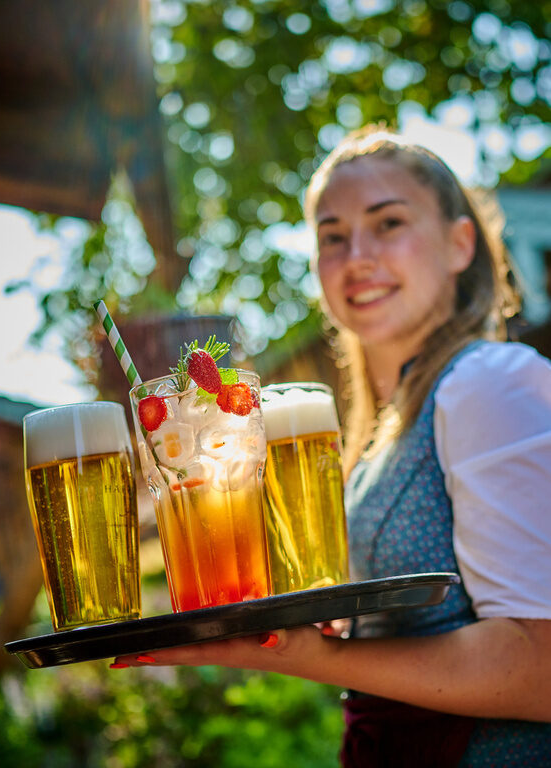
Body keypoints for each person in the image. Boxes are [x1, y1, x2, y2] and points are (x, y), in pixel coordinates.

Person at [111, 127, 551, 767]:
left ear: (461, 244)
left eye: (389, 223)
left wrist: (319, 657)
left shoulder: (486, 381)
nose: (356, 256)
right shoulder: (386, 426)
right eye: (332, 237)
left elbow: (541, 664)